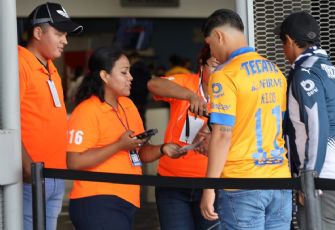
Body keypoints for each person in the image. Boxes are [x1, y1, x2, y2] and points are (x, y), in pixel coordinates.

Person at [66, 46, 186, 230]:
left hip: (127, 199)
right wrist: (119, 145)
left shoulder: (127, 105)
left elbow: (140, 153)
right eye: (124, 72)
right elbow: (74, 162)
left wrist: (163, 149)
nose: (130, 77)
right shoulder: (87, 110)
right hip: (97, 199)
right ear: (105, 76)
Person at [200, 9, 292, 230]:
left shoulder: (225, 74)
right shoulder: (275, 71)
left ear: (219, 36)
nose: (211, 50)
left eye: (210, 43)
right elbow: (281, 125)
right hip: (280, 180)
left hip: (242, 183)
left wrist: (209, 187)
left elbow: (222, 132)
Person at [275, 11, 335, 230]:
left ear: (289, 40)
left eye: (283, 44)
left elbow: (318, 125)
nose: (284, 52)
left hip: (325, 182)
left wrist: (309, 178)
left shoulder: (304, 72)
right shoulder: (332, 70)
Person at [18, 2, 83, 229]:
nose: (65, 40)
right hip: (30, 177)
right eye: (59, 34)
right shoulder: (18, 63)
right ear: (38, 32)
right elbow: (5, 120)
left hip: (55, 172)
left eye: (66, 35)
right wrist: (26, 165)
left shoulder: (50, 68)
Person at [147, 45, 220, 230]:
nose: (218, 72)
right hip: (172, 181)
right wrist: (190, 96)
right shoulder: (186, 82)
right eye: (213, 65)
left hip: (212, 181)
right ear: (201, 65)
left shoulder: (230, 91)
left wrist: (212, 136)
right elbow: (153, 84)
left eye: (223, 66)